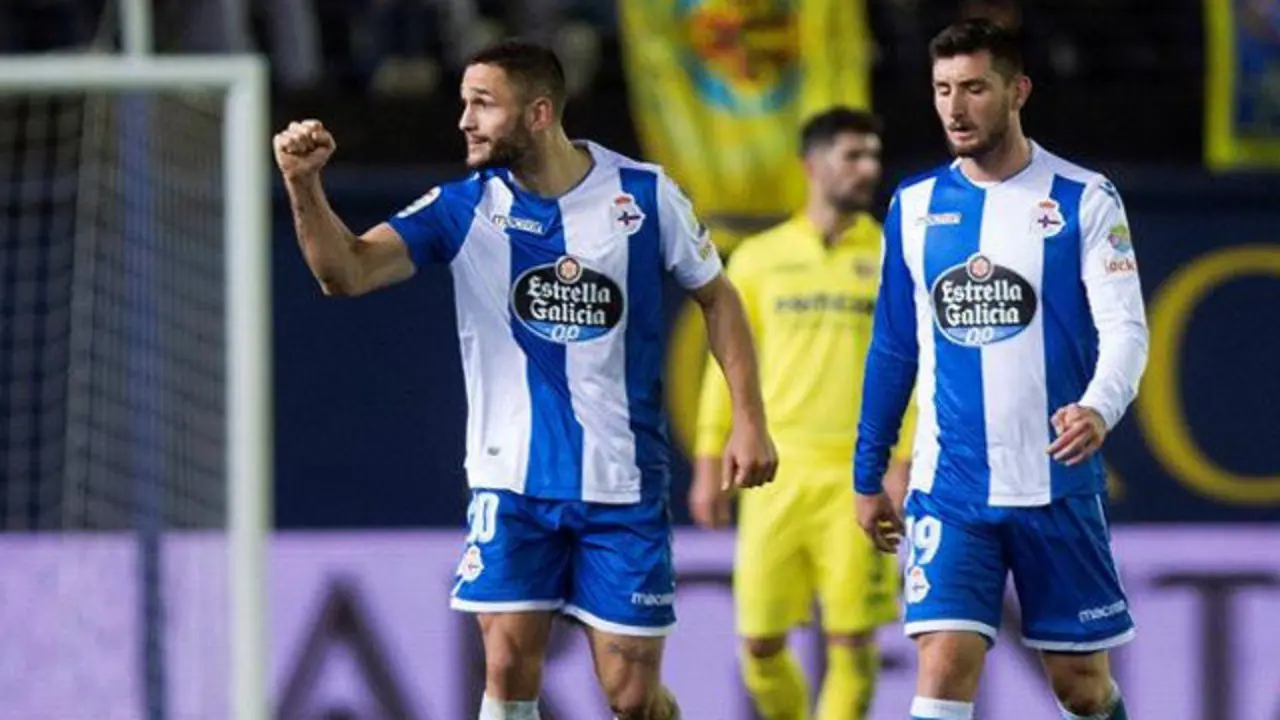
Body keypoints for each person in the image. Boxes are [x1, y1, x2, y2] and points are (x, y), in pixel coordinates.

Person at [272, 40, 779, 720]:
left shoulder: (646, 196)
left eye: (482, 104)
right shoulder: (462, 208)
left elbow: (718, 297)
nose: (464, 121)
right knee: (508, 667)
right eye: (463, 104)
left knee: (630, 696)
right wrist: (304, 185)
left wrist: (749, 418)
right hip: (510, 483)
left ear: (538, 114)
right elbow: (347, 272)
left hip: (623, 482)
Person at [852, 19, 1147, 720]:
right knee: (945, 664)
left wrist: (1099, 407)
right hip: (951, 489)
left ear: (1018, 91)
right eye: (942, 89)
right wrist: (868, 474)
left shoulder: (1084, 199)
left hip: (1056, 487)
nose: (955, 108)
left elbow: (1127, 328)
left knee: (1081, 688)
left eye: (975, 88)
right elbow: (894, 346)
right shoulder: (915, 207)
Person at [690, 107, 915, 720]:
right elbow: (727, 366)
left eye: (873, 155)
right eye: (852, 155)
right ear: (810, 165)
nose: (868, 168)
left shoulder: (898, 255)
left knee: (853, 641)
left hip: (858, 474)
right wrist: (709, 461)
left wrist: (903, 457)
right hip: (776, 473)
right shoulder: (760, 258)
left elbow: (920, 368)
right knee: (759, 646)